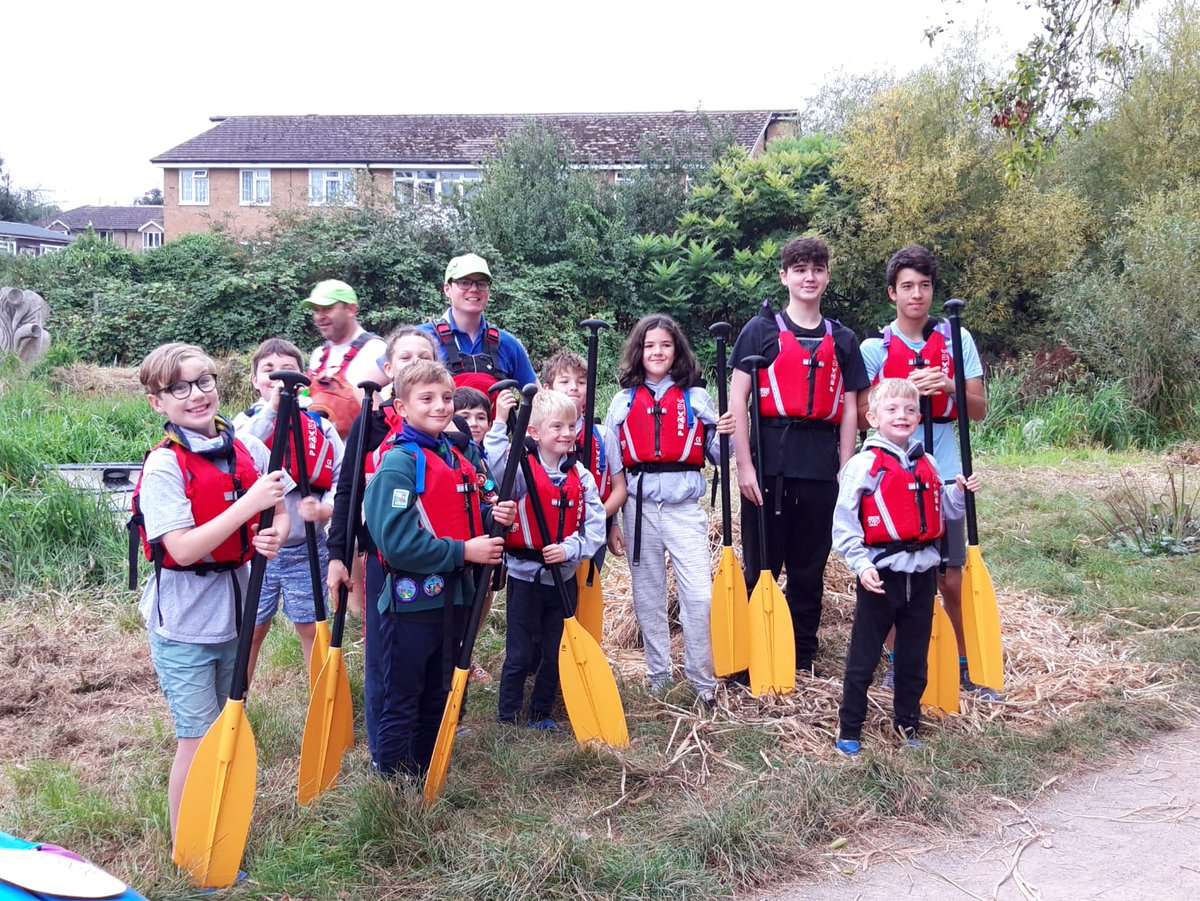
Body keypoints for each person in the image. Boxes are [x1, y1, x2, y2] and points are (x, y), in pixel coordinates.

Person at [131, 342, 287, 839]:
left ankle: (218, 818)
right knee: (196, 737)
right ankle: (189, 844)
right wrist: (249, 509)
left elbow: (278, 507)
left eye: (204, 381)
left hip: (234, 613)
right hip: (184, 623)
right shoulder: (163, 467)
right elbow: (182, 548)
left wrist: (274, 531)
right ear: (158, 402)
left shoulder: (246, 447)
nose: (196, 395)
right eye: (178, 388)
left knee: (225, 727)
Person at [362, 359, 515, 778]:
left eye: (446, 398)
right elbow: (395, 544)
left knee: (437, 695)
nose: (440, 406)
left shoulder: (456, 456)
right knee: (402, 699)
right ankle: (392, 789)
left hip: (455, 601)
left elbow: (469, 515)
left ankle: (426, 775)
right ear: (402, 407)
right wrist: (464, 551)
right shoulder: (399, 464)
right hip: (412, 606)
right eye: (426, 398)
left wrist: (496, 517)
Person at [729, 236, 869, 676]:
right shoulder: (760, 330)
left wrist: (847, 465)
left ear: (827, 276)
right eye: (800, 268)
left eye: (817, 269)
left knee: (809, 570)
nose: (809, 277)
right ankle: (756, 651)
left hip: (820, 465)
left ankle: (802, 654)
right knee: (761, 566)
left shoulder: (843, 339)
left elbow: (849, 406)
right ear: (784, 276)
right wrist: (744, 465)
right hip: (769, 462)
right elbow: (738, 401)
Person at [858, 245, 994, 698]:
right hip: (892, 479)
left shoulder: (958, 339)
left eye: (925, 286)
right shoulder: (874, 349)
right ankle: (900, 663)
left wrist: (949, 385)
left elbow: (977, 411)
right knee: (896, 578)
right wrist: (902, 390)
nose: (917, 295)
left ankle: (959, 662)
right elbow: (861, 416)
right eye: (908, 286)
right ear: (892, 293)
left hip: (946, 473)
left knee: (949, 577)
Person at [832, 379, 979, 754]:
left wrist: (960, 491)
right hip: (881, 576)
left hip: (922, 576)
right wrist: (861, 565)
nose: (902, 415)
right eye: (892, 409)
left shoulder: (926, 461)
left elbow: (944, 510)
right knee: (863, 658)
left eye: (910, 410)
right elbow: (845, 524)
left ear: (918, 417)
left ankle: (908, 726)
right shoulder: (863, 465)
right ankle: (850, 728)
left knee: (914, 658)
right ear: (872, 417)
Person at [603, 314, 734, 704]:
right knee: (648, 597)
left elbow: (716, 455)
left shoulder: (697, 398)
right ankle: (658, 674)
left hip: (683, 508)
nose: (657, 352)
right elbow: (611, 467)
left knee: (699, 596)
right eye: (649, 345)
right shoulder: (623, 401)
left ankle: (701, 679)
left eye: (665, 344)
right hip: (639, 510)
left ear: (677, 350)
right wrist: (611, 522)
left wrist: (726, 435)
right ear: (638, 353)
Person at [327, 326, 437, 769]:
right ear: (389, 370)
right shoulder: (368, 426)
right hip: (384, 560)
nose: (414, 363)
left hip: (438, 561)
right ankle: (385, 754)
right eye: (405, 357)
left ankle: (426, 741)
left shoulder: (447, 430)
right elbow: (348, 494)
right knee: (384, 659)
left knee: (428, 656)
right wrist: (338, 555)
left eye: (424, 355)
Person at [486, 389, 606, 730]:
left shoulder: (580, 476)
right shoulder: (522, 467)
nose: (567, 433)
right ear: (535, 432)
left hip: (562, 577)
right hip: (525, 578)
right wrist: (498, 423)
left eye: (571, 426)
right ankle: (507, 715)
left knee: (555, 650)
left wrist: (570, 549)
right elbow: (497, 470)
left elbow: (594, 528)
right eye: (557, 427)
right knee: (520, 652)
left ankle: (540, 712)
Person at [233, 338, 345, 683]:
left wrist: (326, 509)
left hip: (305, 548)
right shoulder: (245, 422)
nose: (279, 380)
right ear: (255, 381)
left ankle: (319, 705)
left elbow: (342, 477)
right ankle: (237, 701)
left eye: (289, 373)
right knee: (251, 629)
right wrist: (273, 410)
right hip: (257, 550)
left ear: (304, 380)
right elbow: (243, 450)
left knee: (311, 628)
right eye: (269, 371)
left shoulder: (321, 426)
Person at [541, 351, 629, 562]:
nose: (574, 387)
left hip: (592, 533)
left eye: (581, 382)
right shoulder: (536, 435)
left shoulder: (603, 435)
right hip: (551, 533)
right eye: (564, 381)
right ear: (547, 389)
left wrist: (603, 521)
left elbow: (618, 488)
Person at [420, 253, 539, 393]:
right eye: (464, 282)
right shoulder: (422, 339)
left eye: (481, 283)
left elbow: (539, 400)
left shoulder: (508, 344)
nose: (474, 289)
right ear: (447, 289)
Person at [451, 384, 501, 684]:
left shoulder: (483, 453)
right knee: (463, 601)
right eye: (466, 416)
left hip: (488, 540)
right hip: (462, 545)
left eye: (481, 417)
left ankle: (466, 653)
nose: (474, 423)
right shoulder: (452, 452)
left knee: (485, 597)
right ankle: (458, 656)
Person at [303, 279, 388, 438]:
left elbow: (387, 417)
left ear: (350, 309)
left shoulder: (376, 351)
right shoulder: (318, 355)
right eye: (316, 310)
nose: (319, 317)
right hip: (318, 456)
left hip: (358, 457)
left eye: (327, 309)